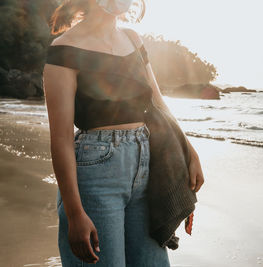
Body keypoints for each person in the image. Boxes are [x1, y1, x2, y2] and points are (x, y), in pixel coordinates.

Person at [42, 0, 204, 266]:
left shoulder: (132, 38)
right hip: (96, 173)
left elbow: (159, 104)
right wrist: (74, 214)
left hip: (147, 166)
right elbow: (60, 140)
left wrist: (189, 151)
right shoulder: (64, 49)